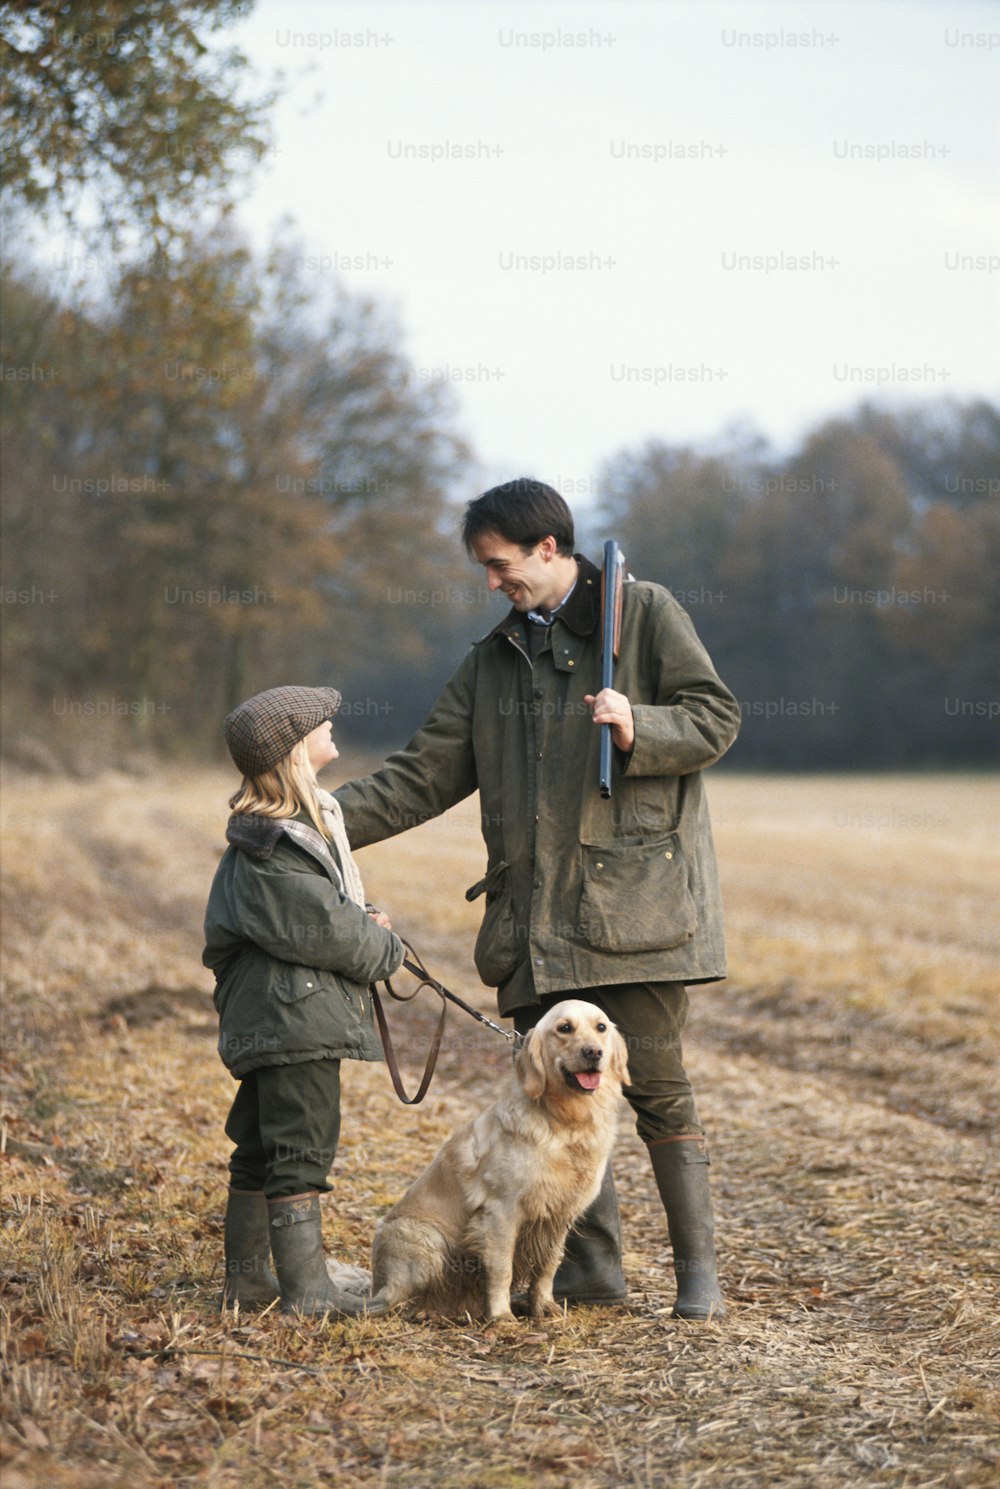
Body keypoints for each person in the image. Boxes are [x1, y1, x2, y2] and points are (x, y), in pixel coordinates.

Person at [335, 480, 741, 1320]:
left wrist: (640, 726)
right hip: (533, 923)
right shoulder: (491, 662)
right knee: (553, 1097)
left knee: (657, 1087)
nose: (492, 583)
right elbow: (421, 773)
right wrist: (320, 822)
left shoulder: (647, 614)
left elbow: (715, 717)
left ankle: (699, 1279)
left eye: (499, 564)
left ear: (549, 548)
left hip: (638, 913)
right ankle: (591, 1273)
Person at [202, 685, 405, 1317]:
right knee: (301, 1151)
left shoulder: (279, 837)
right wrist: (385, 944)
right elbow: (335, 936)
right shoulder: (272, 846)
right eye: (320, 723)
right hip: (294, 1024)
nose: (332, 724)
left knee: (261, 1148)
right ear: (294, 750)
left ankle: (251, 1282)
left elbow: (318, 920)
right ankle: (307, 1294)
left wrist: (357, 920)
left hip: (280, 1017)